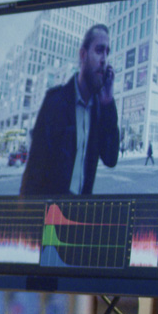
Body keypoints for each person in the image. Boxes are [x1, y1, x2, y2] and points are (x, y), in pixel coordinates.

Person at [19, 24, 120, 195]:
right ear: (83, 55)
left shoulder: (100, 108)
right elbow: (34, 173)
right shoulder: (55, 101)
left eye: (107, 52)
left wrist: (108, 103)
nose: (104, 59)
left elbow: (110, 158)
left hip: (79, 214)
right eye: (99, 50)